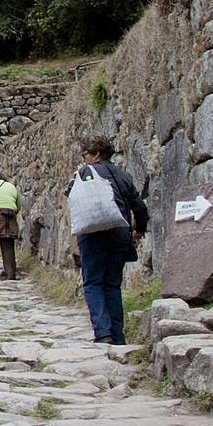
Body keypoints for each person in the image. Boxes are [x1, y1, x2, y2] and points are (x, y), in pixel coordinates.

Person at [65, 136, 147, 343]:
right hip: (120, 232)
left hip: (92, 234)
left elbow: (70, 194)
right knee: (112, 284)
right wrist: (139, 230)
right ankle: (118, 335)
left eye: (85, 155)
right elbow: (139, 206)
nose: (84, 159)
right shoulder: (123, 175)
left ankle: (103, 333)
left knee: (93, 282)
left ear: (96, 155)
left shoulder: (85, 173)